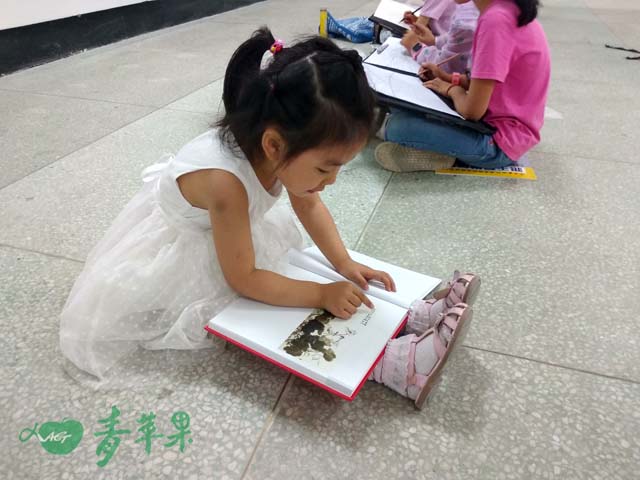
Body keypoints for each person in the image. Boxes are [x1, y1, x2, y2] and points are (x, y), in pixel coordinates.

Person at [59, 27, 478, 408]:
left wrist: (344, 264)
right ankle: (392, 365)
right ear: (274, 145)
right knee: (262, 298)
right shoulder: (226, 184)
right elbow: (243, 278)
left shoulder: (278, 147)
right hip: (189, 246)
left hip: (231, 227)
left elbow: (309, 204)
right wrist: (321, 295)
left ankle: (408, 314)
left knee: (301, 272)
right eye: (325, 168)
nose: (331, 181)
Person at [375, 0, 550, 172]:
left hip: (496, 142)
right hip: (493, 123)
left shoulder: (495, 21)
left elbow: (472, 111)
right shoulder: (502, 10)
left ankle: (444, 154)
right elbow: (487, 80)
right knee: (403, 107)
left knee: (399, 126)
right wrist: (448, 78)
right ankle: (437, 150)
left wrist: (451, 89)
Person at [404, 0, 479, 76]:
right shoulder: (470, 10)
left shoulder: (466, 22)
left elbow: (442, 67)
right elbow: (455, 37)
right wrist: (435, 41)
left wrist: (416, 49)